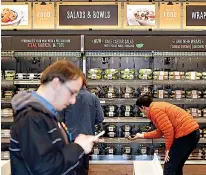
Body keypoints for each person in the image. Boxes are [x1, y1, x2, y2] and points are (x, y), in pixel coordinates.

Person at [10, 60, 100, 175]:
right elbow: (44, 169)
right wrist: (78, 147)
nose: (73, 101)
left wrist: (77, 143)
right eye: (72, 93)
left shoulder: (47, 115)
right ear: (56, 84)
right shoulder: (32, 117)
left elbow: (53, 155)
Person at [128, 94, 200, 175]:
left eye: (140, 109)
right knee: (176, 166)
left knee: (169, 166)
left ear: (143, 107)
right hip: (192, 133)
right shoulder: (156, 107)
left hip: (186, 135)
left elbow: (168, 131)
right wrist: (141, 135)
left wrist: (168, 150)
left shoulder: (155, 110)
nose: (141, 112)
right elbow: (160, 131)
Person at [60, 81, 104, 175]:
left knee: (70, 169)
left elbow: (60, 119)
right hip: (87, 140)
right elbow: (100, 118)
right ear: (85, 83)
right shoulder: (93, 97)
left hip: (70, 140)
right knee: (83, 169)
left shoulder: (67, 97)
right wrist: (89, 122)